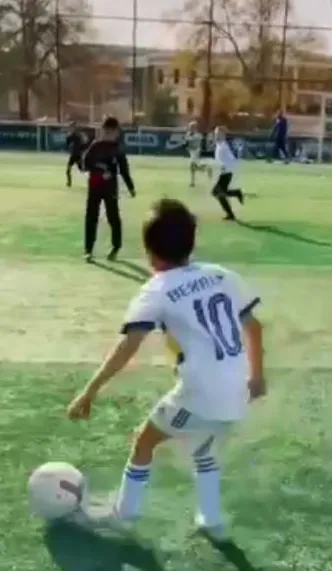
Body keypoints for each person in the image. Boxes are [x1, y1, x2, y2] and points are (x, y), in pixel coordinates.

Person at [67, 198, 265, 541]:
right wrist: (257, 377)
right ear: (192, 243)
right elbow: (255, 327)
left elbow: (128, 345)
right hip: (238, 389)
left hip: (200, 393)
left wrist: (90, 390)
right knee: (204, 445)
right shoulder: (221, 274)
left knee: (144, 441)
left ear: (148, 251)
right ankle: (213, 519)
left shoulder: (155, 290)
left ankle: (124, 514)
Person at [82, 116, 135, 263]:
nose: (113, 135)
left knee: (113, 217)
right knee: (91, 217)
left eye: (115, 132)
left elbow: (124, 169)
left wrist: (130, 186)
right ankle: (88, 249)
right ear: (105, 131)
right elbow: (84, 165)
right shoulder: (95, 146)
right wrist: (100, 168)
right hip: (94, 187)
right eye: (109, 132)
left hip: (110, 188)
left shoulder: (117, 148)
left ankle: (116, 247)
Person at [212, 126, 244, 221]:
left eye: (218, 133)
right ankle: (236, 195)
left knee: (217, 193)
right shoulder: (219, 145)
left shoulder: (224, 146)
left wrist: (224, 167)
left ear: (223, 135)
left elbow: (232, 159)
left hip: (226, 173)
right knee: (218, 193)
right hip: (223, 173)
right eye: (215, 133)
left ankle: (230, 213)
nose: (216, 135)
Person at [186, 120, 212, 187]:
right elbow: (188, 143)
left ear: (195, 127)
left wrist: (190, 145)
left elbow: (195, 145)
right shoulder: (189, 134)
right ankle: (206, 168)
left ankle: (193, 182)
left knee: (193, 167)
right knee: (194, 167)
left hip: (195, 152)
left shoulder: (198, 135)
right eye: (189, 126)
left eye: (191, 127)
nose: (189, 128)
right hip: (192, 152)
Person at [66, 121, 87, 187]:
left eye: (72, 127)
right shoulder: (73, 135)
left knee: (82, 170)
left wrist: (81, 150)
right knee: (68, 170)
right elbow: (68, 143)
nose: (71, 128)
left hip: (77, 155)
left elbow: (84, 143)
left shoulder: (78, 135)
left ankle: (93, 177)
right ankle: (69, 183)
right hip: (73, 155)